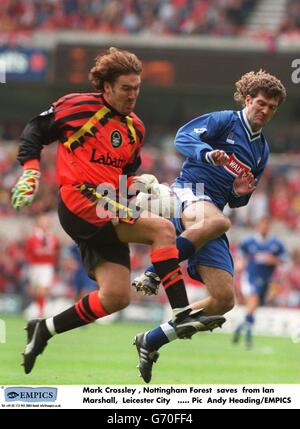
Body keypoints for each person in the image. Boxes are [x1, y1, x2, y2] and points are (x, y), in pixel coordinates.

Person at [11, 47, 224, 382]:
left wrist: (140, 186)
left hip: (106, 203)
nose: (132, 95)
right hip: (81, 201)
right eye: (126, 88)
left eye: (137, 88)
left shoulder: (135, 129)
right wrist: (31, 170)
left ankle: (44, 328)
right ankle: (181, 311)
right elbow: (35, 130)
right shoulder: (78, 106)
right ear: (106, 87)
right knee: (162, 229)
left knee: (116, 297)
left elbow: (123, 177)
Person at [132, 70, 287, 376]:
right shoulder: (224, 120)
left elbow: (238, 196)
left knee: (224, 299)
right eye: (260, 103)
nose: (265, 111)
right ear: (247, 100)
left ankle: (151, 340)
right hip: (189, 192)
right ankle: (154, 271)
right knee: (219, 222)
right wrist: (206, 154)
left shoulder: (262, 150)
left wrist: (240, 194)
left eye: (271, 107)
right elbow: (183, 137)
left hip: (211, 214)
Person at [232, 216, 288, 348]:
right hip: (250, 277)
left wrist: (273, 260)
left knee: (253, 308)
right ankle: (248, 338)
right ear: (258, 226)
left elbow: (284, 260)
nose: (264, 228)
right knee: (254, 301)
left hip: (266, 281)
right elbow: (239, 256)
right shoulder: (249, 241)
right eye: (262, 225)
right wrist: (239, 265)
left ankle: (240, 328)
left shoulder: (276, 243)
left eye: (267, 225)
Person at [24, 214, 60, 317]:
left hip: (46, 266)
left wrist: (45, 252)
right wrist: (45, 251)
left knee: (42, 289)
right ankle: (38, 307)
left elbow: (55, 251)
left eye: (46, 221)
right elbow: (35, 251)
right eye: (43, 221)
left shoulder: (53, 237)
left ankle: (41, 311)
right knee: (36, 290)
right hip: (34, 266)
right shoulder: (33, 237)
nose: (45, 223)